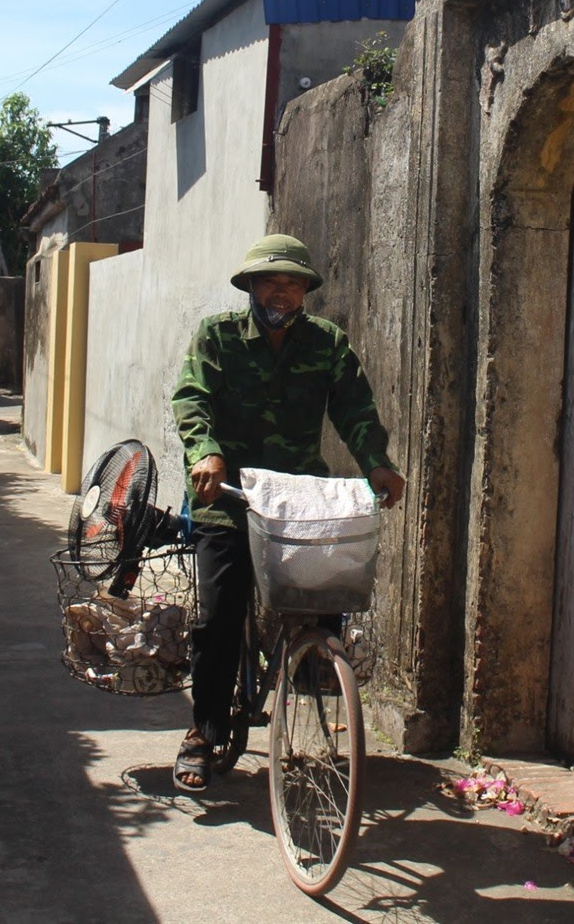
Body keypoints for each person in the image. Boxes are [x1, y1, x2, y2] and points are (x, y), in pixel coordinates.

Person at [168, 233, 404, 793]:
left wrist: (378, 463)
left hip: (297, 501)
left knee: (327, 596)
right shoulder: (218, 337)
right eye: (271, 281)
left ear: (305, 293)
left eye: (292, 283)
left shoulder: (327, 345)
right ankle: (202, 732)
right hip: (226, 497)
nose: (281, 291)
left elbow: (356, 410)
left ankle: (316, 666)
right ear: (251, 286)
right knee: (219, 616)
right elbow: (191, 397)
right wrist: (205, 452)